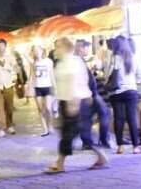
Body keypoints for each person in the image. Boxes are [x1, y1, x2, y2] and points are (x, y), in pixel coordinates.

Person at [46, 38, 108, 174]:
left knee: (70, 134)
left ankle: (60, 163)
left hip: (75, 101)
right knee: (78, 133)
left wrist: (73, 103)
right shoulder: (65, 62)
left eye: (58, 47)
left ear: (66, 48)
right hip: (70, 101)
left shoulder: (71, 62)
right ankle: (100, 157)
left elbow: (75, 81)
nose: (56, 50)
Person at [106, 36, 141, 154]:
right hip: (131, 91)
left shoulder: (113, 58)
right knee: (132, 118)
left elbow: (107, 75)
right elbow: (140, 76)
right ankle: (136, 147)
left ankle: (120, 146)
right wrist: (133, 82)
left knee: (119, 118)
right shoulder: (134, 57)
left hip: (116, 92)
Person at [76, 40, 111, 149]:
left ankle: (94, 141)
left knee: (97, 115)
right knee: (101, 114)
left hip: (89, 93)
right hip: (88, 93)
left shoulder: (79, 61)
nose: (87, 50)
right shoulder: (77, 61)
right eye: (86, 48)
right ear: (81, 48)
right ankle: (99, 140)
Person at [0, 39, 17, 138]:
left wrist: (5, 65)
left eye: (2, 46)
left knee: (9, 107)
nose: (0, 48)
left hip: (9, 85)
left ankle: (10, 125)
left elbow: (15, 69)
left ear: (5, 47)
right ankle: (1, 128)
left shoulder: (10, 58)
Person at [31, 45, 55, 137]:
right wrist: (31, 87)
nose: (36, 52)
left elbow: (51, 74)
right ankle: (45, 129)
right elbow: (33, 76)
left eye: (38, 50)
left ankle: (50, 125)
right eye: (34, 51)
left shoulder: (48, 61)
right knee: (41, 110)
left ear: (42, 51)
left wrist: (55, 87)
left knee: (48, 108)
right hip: (38, 87)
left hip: (47, 86)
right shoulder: (33, 63)